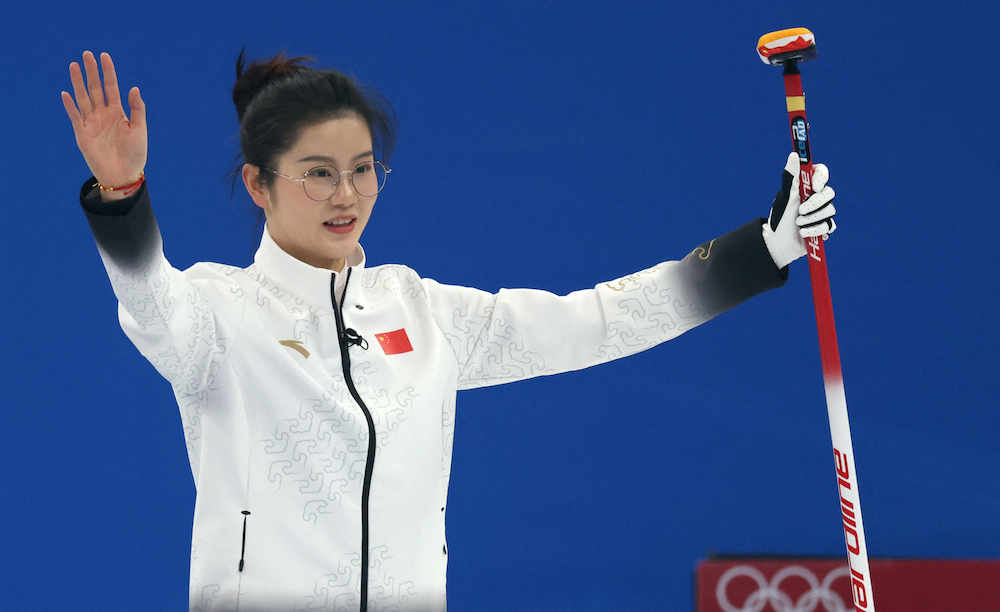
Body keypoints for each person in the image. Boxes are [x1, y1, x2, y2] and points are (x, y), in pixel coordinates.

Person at [63, 50, 836, 612]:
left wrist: (762, 250)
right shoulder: (214, 315)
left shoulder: (420, 311)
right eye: (318, 172)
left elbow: (594, 321)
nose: (347, 195)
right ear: (257, 186)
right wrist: (124, 192)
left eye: (363, 169)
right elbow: (147, 295)